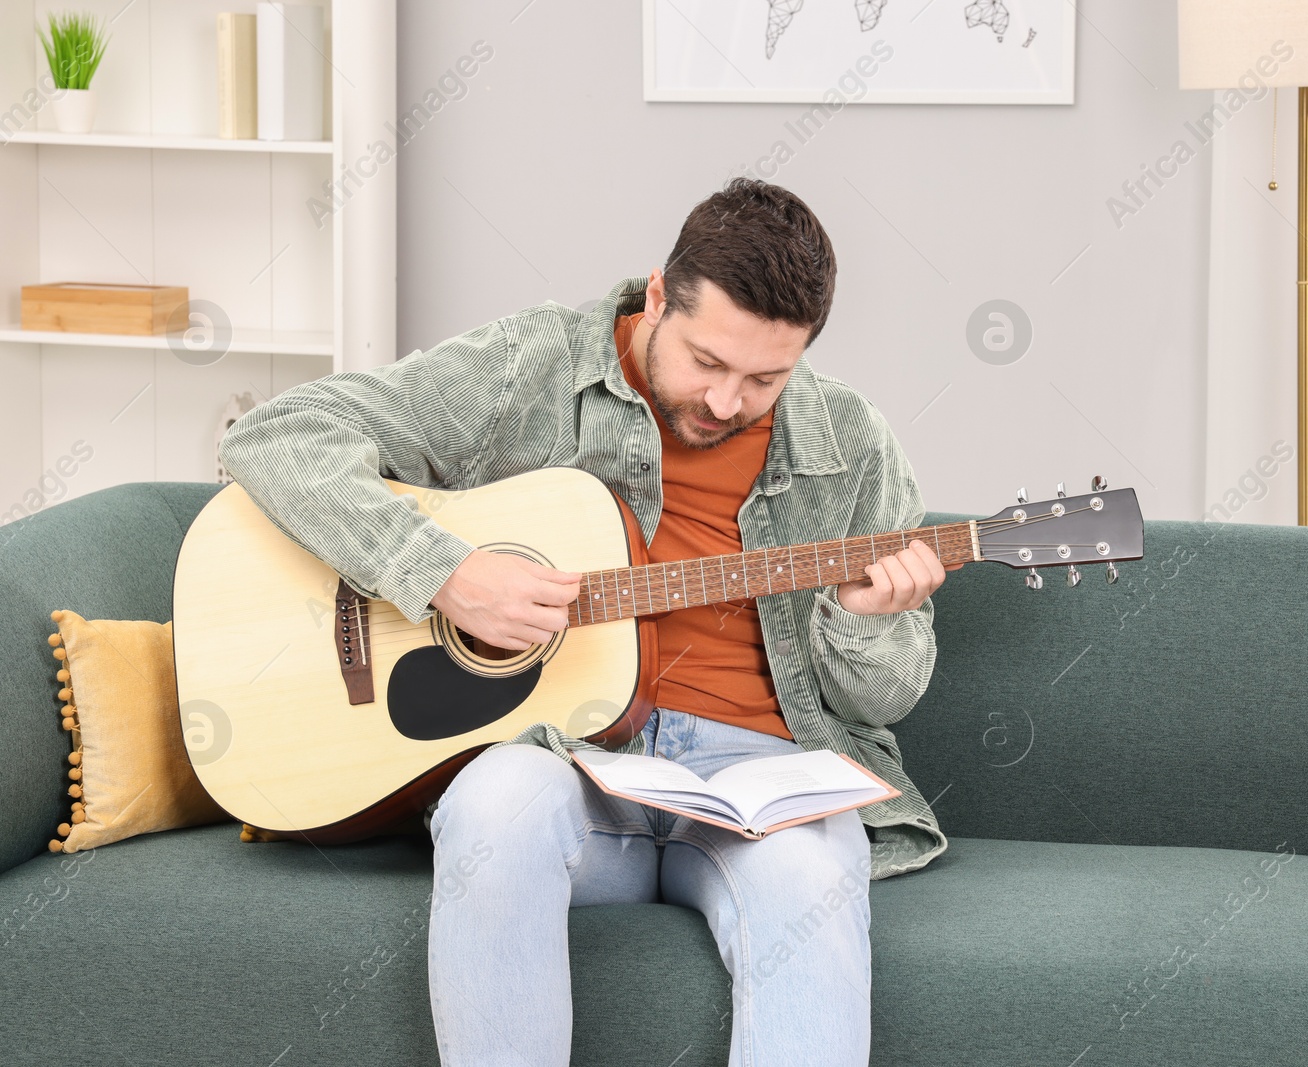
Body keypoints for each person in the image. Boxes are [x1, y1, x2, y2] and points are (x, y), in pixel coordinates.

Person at [218, 177, 952, 1067]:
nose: (727, 403)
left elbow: (885, 698)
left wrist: (868, 617)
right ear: (656, 297)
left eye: (766, 378)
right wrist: (443, 573)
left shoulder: (850, 439)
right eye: (708, 363)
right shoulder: (533, 367)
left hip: (755, 782)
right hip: (567, 759)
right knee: (493, 802)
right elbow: (281, 434)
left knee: (814, 877)